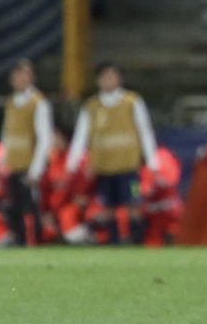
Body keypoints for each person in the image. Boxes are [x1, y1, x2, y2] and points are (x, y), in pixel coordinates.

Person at [67, 63, 161, 245]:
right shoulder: (92, 106)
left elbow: (145, 131)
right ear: (98, 80)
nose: (108, 80)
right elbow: (81, 136)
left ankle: (137, 241)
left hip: (129, 167)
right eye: (104, 77)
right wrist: (72, 163)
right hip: (104, 168)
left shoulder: (132, 101)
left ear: (119, 79)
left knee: (134, 203)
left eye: (112, 76)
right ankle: (114, 242)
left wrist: (152, 162)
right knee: (107, 207)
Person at [0, 59, 53, 246]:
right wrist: (2, 161)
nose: (19, 79)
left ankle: (37, 242)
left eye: (24, 75)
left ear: (31, 78)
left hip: (30, 166)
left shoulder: (38, 102)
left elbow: (44, 137)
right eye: (16, 76)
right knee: (14, 207)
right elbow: (7, 134)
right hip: (13, 164)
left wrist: (36, 169)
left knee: (32, 207)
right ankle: (19, 241)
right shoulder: (11, 102)